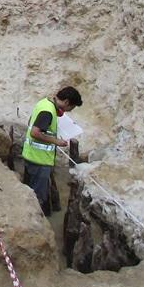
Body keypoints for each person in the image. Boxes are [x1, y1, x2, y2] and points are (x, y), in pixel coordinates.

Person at [22, 85, 83, 215]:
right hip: (39, 160)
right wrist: (57, 141)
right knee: (38, 197)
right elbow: (35, 132)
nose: (69, 111)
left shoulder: (44, 103)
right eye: (71, 108)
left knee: (28, 193)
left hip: (31, 155)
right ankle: (35, 222)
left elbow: (30, 123)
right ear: (66, 102)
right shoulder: (48, 111)